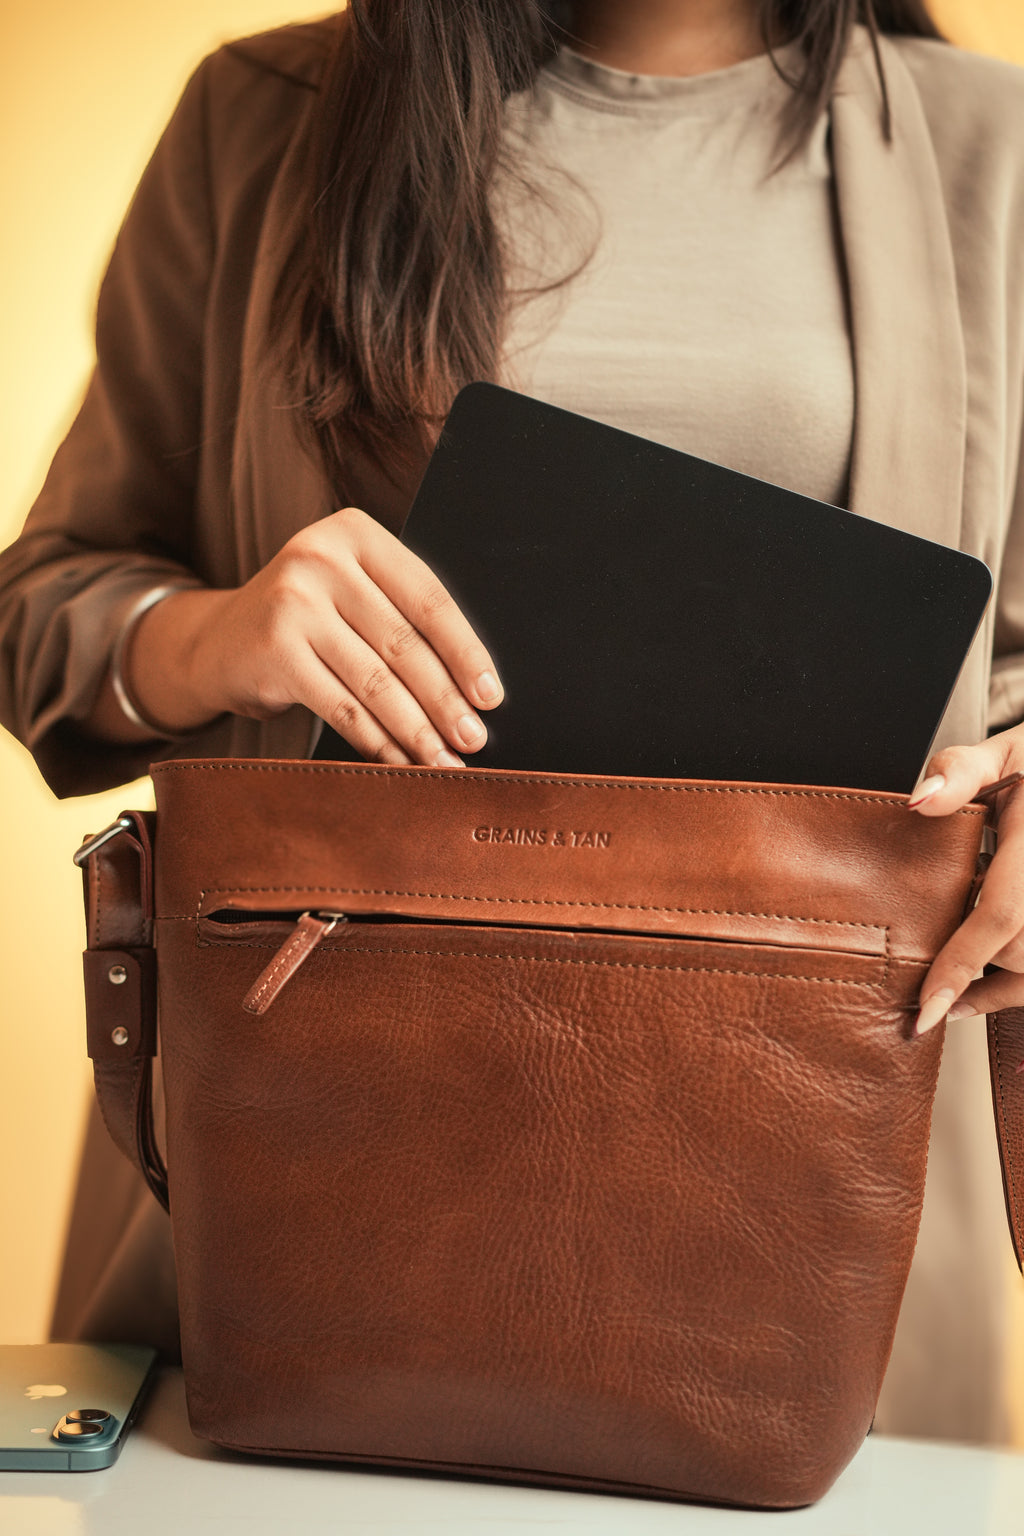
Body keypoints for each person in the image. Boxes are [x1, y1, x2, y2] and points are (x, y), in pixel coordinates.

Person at [1, 0, 1023, 1444]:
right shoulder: (263, 111)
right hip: (321, 1141)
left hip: (809, 1164)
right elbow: (44, 603)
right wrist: (214, 633)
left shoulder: (994, 149)